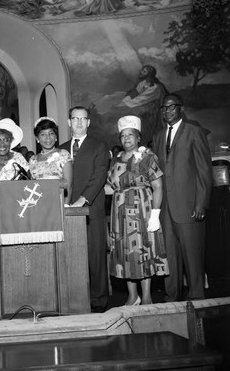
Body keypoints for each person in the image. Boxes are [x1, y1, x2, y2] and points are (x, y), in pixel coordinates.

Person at [152, 94, 213, 302]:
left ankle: (197, 298)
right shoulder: (159, 135)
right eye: (164, 108)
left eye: (172, 107)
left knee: (193, 257)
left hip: (189, 206)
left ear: (181, 108)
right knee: (170, 258)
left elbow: (204, 170)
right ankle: (172, 299)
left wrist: (201, 203)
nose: (167, 111)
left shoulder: (193, 131)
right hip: (166, 208)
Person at [108, 116, 169, 305]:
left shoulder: (147, 157)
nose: (126, 139)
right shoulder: (115, 160)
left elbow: (158, 186)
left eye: (130, 135)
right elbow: (111, 187)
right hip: (119, 211)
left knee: (142, 250)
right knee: (125, 252)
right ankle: (132, 296)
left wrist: (155, 214)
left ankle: (147, 296)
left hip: (142, 209)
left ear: (138, 137)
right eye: (123, 136)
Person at [59, 106, 110, 312]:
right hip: (65, 211)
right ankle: (75, 299)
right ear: (69, 122)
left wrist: (83, 200)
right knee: (71, 257)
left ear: (88, 122)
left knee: (95, 258)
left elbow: (99, 176)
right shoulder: (60, 149)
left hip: (91, 210)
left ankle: (98, 301)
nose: (79, 122)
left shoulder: (98, 146)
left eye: (83, 119)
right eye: (75, 119)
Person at [28, 117, 72, 204]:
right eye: (43, 134)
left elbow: (69, 185)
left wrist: (66, 209)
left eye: (51, 133)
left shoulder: (63, 154)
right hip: (38, 204)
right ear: (37, 138)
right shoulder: (33, 159)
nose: (48, 138)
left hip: (58, 203)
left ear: (56, 137)